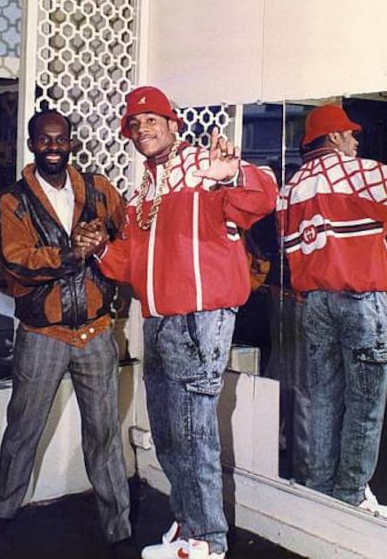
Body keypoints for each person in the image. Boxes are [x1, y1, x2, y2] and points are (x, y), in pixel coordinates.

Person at [74, 86, 278, 559]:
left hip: (198, 316)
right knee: (168, 432)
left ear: (173, 124)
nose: (142, 129)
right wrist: (100, 248)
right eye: (135, 124)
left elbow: (262, 197)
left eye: (152, 120)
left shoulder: (203, 168)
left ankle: (207, 540)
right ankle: (190, 525)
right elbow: (132, 265)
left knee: (193, 432)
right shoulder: (144, 187)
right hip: (160, 318)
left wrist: (234, 173)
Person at [0, 108, 138, 558]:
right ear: (32, 144)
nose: (53, 147)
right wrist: (73, 252)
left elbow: (128, 234)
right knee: (23, 428)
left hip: (96, 332)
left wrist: (103, 236)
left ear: (71, 142)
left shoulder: (99, 189)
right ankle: (1, 513)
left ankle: (118, 528)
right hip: (41, 333)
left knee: (104, 432)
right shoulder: (13, 200)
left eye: (60, 139)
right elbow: (17, 259)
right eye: (44, 140)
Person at [278, 103, 387, 514]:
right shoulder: (364, 173)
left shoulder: (290, 190)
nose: (357, 141)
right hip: (361, 300)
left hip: (315, 304)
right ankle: (352, 494)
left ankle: (319, 489)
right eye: (351, 134)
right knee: (365, 403)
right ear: (335, 137)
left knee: (323, 398)